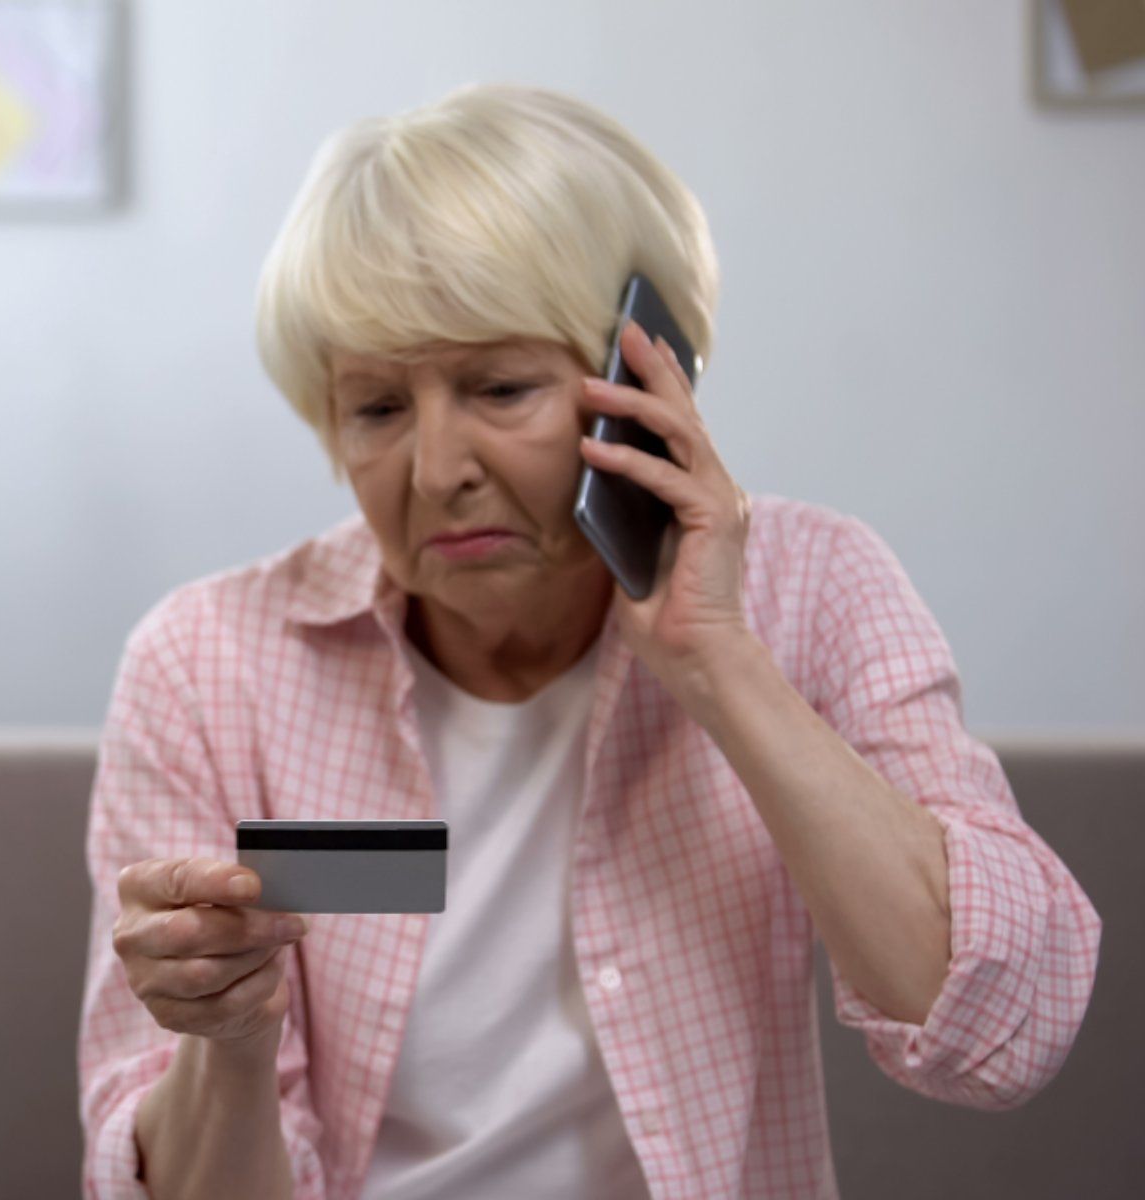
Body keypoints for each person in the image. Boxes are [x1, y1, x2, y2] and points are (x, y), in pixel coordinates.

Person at [78, 83, 1100, 1200]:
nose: (436, 472)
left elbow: (1004, 1035)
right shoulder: (206, 661)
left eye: (500, 387)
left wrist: (720, 663)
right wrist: (224, 1042)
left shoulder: (814, 588)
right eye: (376, 409)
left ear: (646, 379)